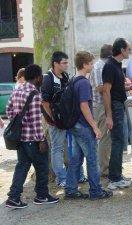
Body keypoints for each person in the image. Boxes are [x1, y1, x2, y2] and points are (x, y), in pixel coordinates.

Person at [5, 64, 59, 209]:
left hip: (20, 138)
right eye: (41, 76)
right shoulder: (34, 94)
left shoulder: (18, 90)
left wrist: (20, 124)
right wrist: (41, 139)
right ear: (37, 77)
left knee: (22, 166)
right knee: (42, 166)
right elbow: (36, 121)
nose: (42, 79)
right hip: (33, 139)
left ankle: (13, 197)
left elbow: (9, 110)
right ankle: (41, 196)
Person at [65, 51, 112, 200]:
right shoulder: (84, 82)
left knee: (76, 158)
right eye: (91, 63)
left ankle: (71, 190)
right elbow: (84, 106)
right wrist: (95, 126)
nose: (92, 65)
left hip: (75, 124)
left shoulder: (73, 80)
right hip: (83, 125)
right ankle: (96, 190)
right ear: (84, 64)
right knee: (92, 159)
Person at [41, 51, 87, 187]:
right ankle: (61, 178)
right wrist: (54, 120)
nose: (67, 65)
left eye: (67, 62)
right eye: (64, 63)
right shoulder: (48, 78)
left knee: (73, 146)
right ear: (55, 64)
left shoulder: (65, 76)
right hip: (55, 121)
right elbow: (44, 102)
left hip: (67, 119)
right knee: (57, 148)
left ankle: (78, 175)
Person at [102, 38, 132, 190]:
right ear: (122, 50)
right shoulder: (110, 66)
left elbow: (116, 88)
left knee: (119, 141)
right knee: (118, 141)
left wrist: (129, 88)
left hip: (119, 104)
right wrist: (109, 116)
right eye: (129, 49)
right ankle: (114, 178)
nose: (130, 52)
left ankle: (116, 175)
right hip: (115, 107)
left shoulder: (116, 65)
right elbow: (106, 91)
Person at [90, 44, 113, 177]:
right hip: (100, 105)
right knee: (104, 137)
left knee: (106, 138)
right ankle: (104, 169)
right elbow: (100, 88)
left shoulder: (101, 65)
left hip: (102, 105)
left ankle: (106, 165)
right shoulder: (100, 67)